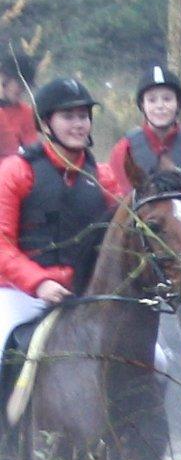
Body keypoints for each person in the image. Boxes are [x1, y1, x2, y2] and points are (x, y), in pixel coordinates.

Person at [0, 77, 119, 357]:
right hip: (21, 295)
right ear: (45, 123)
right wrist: (39, 282)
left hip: (85, 295)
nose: (79, 124)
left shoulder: (104, 177)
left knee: (159, 361)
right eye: (68, 116)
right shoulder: (16, 171)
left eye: (83, 116)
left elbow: (118, 243)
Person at [108, 65, 181, 201]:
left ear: (178, 103)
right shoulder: (124, 149)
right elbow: (121, 199)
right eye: (152, 100)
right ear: (142, 105)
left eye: (167, 99)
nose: (160, 106)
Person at [0, 53, 38, 159]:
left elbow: (31, 152)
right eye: (20, 84)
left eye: (26, 86)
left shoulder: (26, 113)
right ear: (4, 77)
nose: (22, 90)